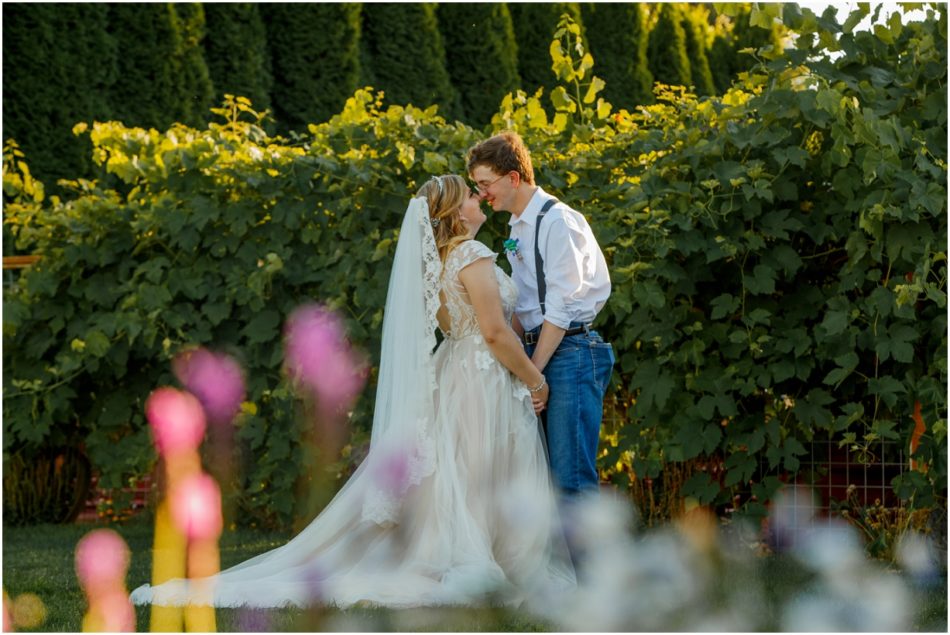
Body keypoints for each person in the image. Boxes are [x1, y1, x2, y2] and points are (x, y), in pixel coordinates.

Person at [130, 175, 574, 609]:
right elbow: (494, 333)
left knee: (463, 469)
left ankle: (469, 555)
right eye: (470, 195)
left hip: (458, 368)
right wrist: (536, 379)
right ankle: (487, 560)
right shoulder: (472, 254)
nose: (480, 199)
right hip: (483, 375)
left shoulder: (437, 263)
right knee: (481, 468)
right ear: (458, 214)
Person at [467, 131, 614, 500]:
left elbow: (561, 307)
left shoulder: (557, 222)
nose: (483, 194)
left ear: (513, 177)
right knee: (543, 478)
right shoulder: (517, 226)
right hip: (541, 354)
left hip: (571, 354)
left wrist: (534, 373)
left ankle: (589, 560)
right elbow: (525, 304)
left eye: (486, 184)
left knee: (571, 479)